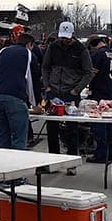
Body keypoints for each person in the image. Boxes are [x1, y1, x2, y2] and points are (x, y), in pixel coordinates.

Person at [40, 21, 91, 164]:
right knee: (51, 126)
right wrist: (47, 86)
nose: (65, 41)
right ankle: (53, 161)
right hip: (54, 91)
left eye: (67, 38)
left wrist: (76, 90)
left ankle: (71, 161)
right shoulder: (53, 47)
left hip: (71, 93)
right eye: (62, 38)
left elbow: (88, 72)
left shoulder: (81, 50)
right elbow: (45, 67)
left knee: (72, 128)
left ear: (72, 35)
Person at [0, 33, 36, 151]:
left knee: (2, 138)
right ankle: (18, 167)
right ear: (29, 44)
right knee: (19, 139)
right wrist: (34, 104)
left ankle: (4, 166)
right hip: (15, 99)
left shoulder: (2, 51)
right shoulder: (28, 55)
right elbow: (31, 82)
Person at [85, 36, 112, 163]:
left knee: (99, 124)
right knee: (111, 123)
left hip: (100, 92)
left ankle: (101, 153)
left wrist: (84, 86)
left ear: (93, 45)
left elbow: (92, 74)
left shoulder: (98, 54)